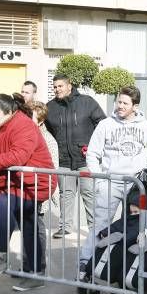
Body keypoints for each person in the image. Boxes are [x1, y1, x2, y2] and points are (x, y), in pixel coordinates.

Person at [0, 94, 57, 292]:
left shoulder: (24, 126)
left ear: (10, 113)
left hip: (33, 183)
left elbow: (19, 155)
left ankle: (2, 255)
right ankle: (34, 273)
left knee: (4, 206)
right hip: (9, 182)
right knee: (28, 224)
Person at [85, 86, 147, 233]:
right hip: (110, 184)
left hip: (136, 185)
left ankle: (125, 256)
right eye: (118, 102)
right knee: (99, 225)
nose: (120, 106)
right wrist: (99, 180)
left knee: (138, 225)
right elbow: (92, 153)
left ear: (135, 106)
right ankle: (89, 257)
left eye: (125, 103)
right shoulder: (105, 124)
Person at [45, 73, 106, 238]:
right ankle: (65, 227)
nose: (57, 89)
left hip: (85, 158)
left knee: (89, 193)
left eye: (60, 86)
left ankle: (96, 228)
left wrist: (95, 148)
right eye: (55, 86)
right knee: (66, 194)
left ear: (69, 85)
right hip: (63, 159)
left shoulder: (87, 102)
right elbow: (47, 132)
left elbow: (102, 124)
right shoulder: (50, 107)